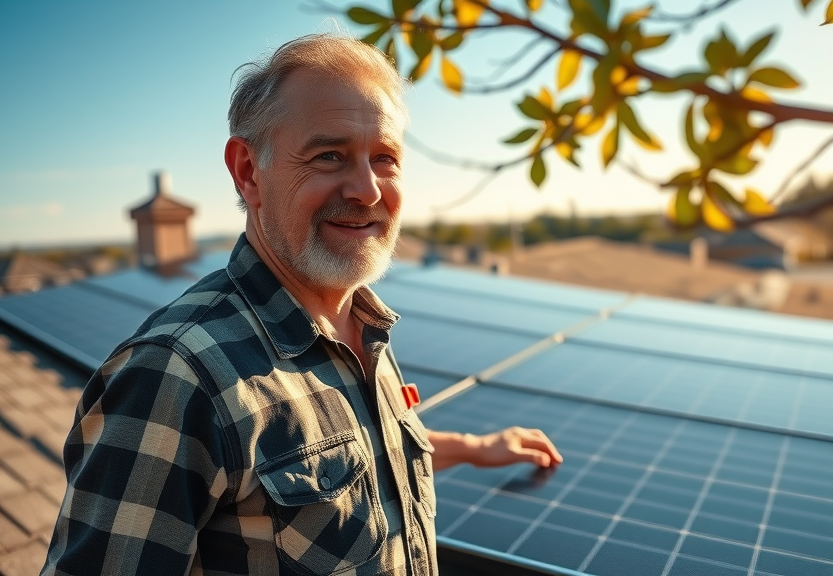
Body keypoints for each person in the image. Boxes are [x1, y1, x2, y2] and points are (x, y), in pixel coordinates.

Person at [41, 33, 562, 576]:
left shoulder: (359, 323)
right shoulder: (175, 378)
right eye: (329, 155)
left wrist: (476, 447)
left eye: (384, 158)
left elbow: (353, 452)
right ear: (248, 171)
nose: (367, 189)